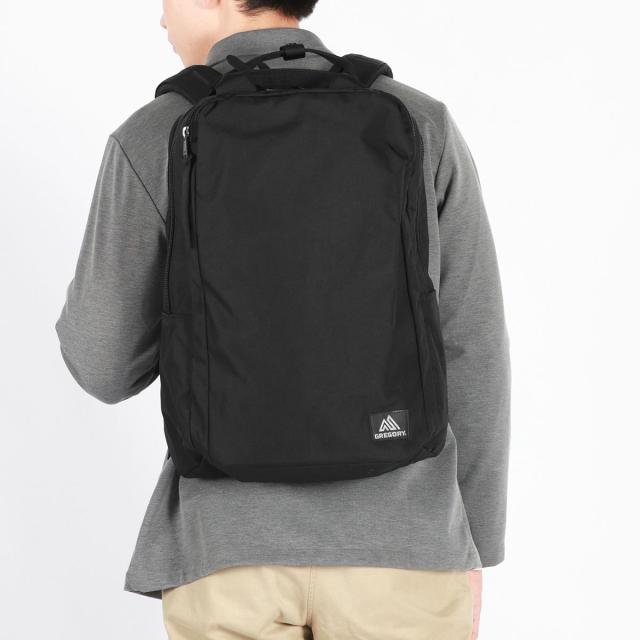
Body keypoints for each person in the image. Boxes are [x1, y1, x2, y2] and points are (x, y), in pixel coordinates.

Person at [55, 1, 511, 638]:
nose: (161, 19)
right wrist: (473, 545)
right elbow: (473, 347)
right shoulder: (420, 121)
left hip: (226, 553)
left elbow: (102, 364)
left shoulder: (155, 133)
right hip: (405, 549)